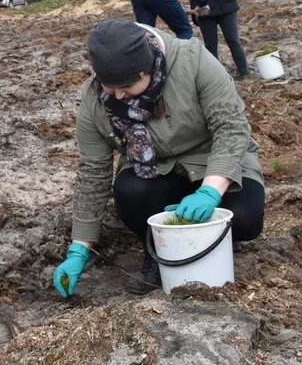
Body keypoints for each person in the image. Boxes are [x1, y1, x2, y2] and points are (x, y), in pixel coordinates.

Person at [53, 19, 264, 298]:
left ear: (149, 67)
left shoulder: (192, 61)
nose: (117, 96)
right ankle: (157, 251)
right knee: (130, 192)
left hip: (211, 158)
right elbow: (93, 172)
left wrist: (211, 191)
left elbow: (231, 128)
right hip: (154, 169)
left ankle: (220, 237)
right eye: (109, 86)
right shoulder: (95, 101)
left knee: (245, 218)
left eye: (127, 86)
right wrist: (79, 248)